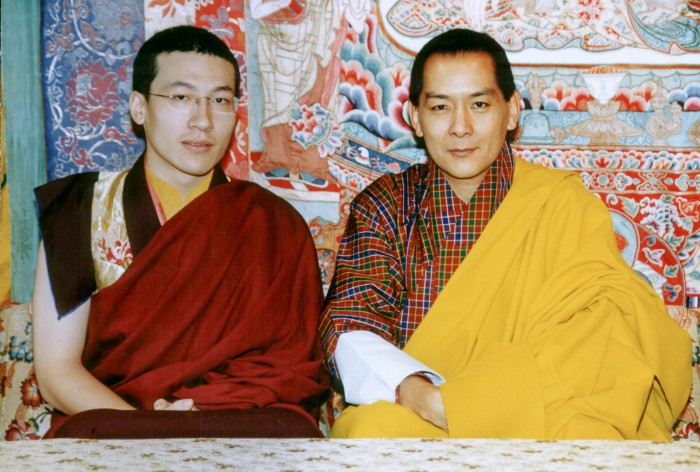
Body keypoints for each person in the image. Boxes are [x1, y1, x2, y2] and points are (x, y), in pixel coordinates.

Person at [319, 28, 691, 440]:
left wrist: (474, 405)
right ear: (415, 118)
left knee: (592, 432)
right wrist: (425, 398)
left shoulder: (561, 203)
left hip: (540, 411)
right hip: (421, 413)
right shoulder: (385, 206)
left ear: (512, 111)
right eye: (441, 107)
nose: (461, 127)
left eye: (479, 104)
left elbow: (606, 331)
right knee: (371, 432)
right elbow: (351, 326)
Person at [32, 25, 328, 439]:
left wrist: (198, 415)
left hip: (240, 420)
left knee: (291, 431)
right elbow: (56, 372)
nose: (202, 120)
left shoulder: (273, 222)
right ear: (139, 107)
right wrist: (155, 430)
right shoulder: (81, 210)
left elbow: (291, 370)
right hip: (117, 420)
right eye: (181, 97)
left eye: (220, 100)